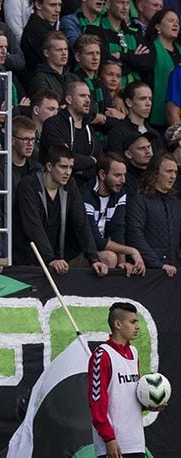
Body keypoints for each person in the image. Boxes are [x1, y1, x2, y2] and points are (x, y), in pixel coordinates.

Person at [12, 144, 109, 273]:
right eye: (63, 167)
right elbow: (33, 226)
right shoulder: (29, 185)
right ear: (49, 166)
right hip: (26, 260)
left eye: (71, 167)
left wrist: (94, 259)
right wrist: (50, 258)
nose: (68, 172)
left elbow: (81, 222)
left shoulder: (70, 185)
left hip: (58, 257)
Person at [89, 302, 160, 458]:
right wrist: (109, 438)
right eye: (133, 322)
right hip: (113, 445)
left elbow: (129, 397)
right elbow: (97, 402)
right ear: (118, 324)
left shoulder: (133, 353)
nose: (137, 327)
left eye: (137, 322)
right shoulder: (102, 355)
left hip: (136, 443)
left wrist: (150, 404)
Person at [81, 152, 143, 273]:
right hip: (81, 252)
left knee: (116, 259)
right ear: (102, 174)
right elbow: (94, 239)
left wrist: (122, 263)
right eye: (117, 175)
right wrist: (131, 251)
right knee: (110, 257)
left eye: (124, 175)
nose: (123, 180)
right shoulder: (85, 194)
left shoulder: (120, 193)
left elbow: (117, 230)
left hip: (101, 249)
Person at [126, 152, 181, 277]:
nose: (173, 176)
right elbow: (135, 235)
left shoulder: (177, 204)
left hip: (174, 271)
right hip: (147, 273)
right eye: (169, 171)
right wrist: (158, 264)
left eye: (175, 172)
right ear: (155, 173)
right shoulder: (139, 201)